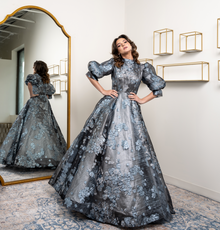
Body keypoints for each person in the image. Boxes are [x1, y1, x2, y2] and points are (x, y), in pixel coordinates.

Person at [49, 35, 175, 228]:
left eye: (124, 42)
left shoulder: (144, 68)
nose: (122, 45)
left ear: (131, 45)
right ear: (116, 50)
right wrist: (104, 91)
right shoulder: (114, 64)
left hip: (131, 113)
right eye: (118, 45)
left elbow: (157, 88)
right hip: (110, 109)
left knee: (132, 153)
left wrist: (142, 99)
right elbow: (92, 74)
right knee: (100, 150)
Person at [0, 61, 67, 168]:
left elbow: (31, 89)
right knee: (45, 130)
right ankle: (43, 159)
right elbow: (50, 92)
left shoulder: (32, 77)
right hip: (44, 105)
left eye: (33, 66)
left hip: (35, 103)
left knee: (30, 129)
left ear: (36, 68)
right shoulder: (46, 80)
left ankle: (27, 159)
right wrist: (43, 94)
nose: (32, 68)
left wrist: (33, 94)